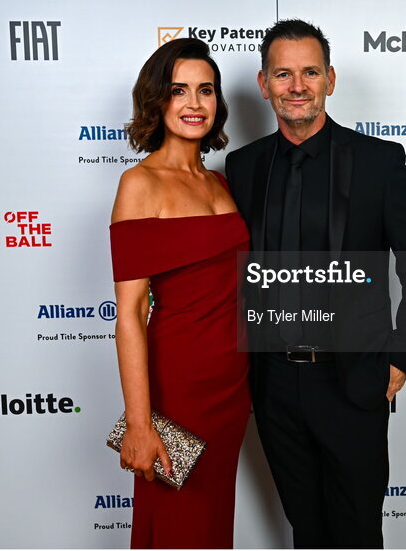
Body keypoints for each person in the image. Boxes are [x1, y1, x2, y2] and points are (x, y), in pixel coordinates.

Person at [225, 19, 406, 548]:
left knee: (357, 532)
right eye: (283, 74)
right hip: (273, 383)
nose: (296, 86)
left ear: (330, 79)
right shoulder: (242, 166)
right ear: (263, 83)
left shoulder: (377, 162)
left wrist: (401, 356)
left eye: (309, 72)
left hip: (352, 380)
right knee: (309, 531)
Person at [109, 37, 250, 549]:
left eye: (205, 90)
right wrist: (140, 424)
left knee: (213, 528)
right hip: (177, 386)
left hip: (233, 385)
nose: (194, 104)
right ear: (157, 100)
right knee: (177, 527)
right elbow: (129, 313)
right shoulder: (138, 184)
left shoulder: (221, 183)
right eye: (178, 90)